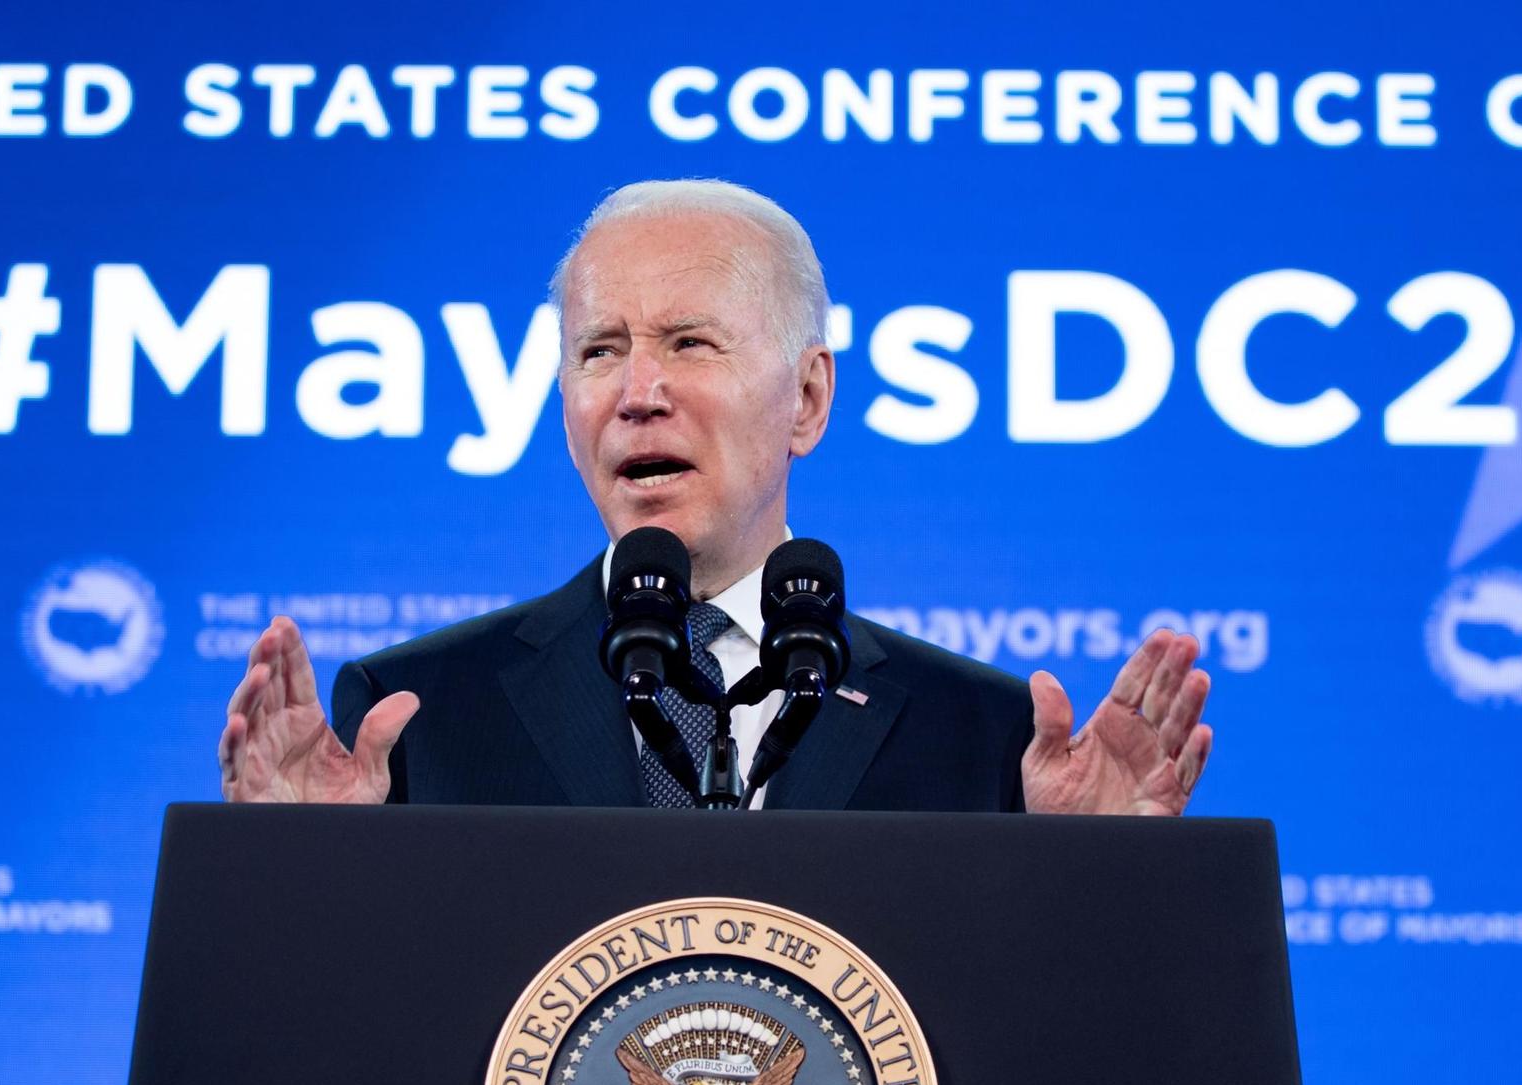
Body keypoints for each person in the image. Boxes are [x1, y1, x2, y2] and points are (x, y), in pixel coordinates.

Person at [218, 180, 1212, 814]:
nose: (635, 393)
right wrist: (292, 878)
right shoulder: (418, 716)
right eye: (598, 352)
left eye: (688, 343)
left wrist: (1096, 881)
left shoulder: (980, 739)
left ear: (807, 398)